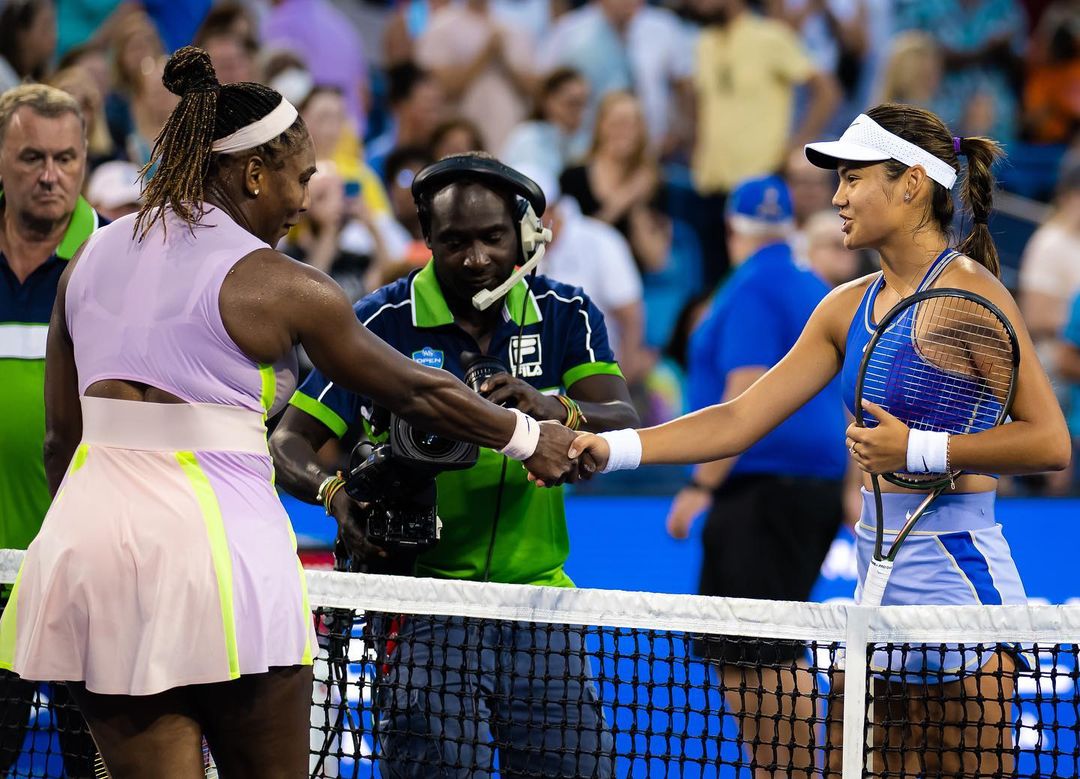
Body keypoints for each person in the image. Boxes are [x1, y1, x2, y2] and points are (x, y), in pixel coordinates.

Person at [0, 47, 579, 777]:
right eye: (301, 177)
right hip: (218, 558)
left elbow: (62, 443)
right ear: (253, 174)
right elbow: (416, 391)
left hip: (89, 551)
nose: (305, 199)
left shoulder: (87, 258)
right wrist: (527, 436)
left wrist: (96, 538)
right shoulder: (280, 283)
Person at [566, 103, 1072, 776]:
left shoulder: (970, 296)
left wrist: (918, 450)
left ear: (911, 184)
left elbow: (1049, 443)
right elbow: (737, 418)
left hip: (961, 590)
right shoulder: (843, 307)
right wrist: (616, 448)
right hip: (878, 589)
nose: (836, 197)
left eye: (853, 178)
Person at [269, 152, 637, 777]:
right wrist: (336, 495)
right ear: (427, 238)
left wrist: (556, 408)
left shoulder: (565, 312)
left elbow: (623, 417)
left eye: (493, 237)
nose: (476, 258)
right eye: (454, 242)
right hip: (422, 607)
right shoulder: (380, 321)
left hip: (542, 604)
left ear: (524, 234)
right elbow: (288, 443)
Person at [663, 175, 847, 776]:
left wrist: (701, 484)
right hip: (807, 489)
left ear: (730, 230)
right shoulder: (811, 285)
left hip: (761, 491)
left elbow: (744, 395)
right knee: (766, 643)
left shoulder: (749, 288)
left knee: (760, 651)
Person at [0, 82, 100, 779]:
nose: (49, 175)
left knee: (98, 768)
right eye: (32, 156)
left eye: (66, 158)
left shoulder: (117, 263)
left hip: (88, 582)